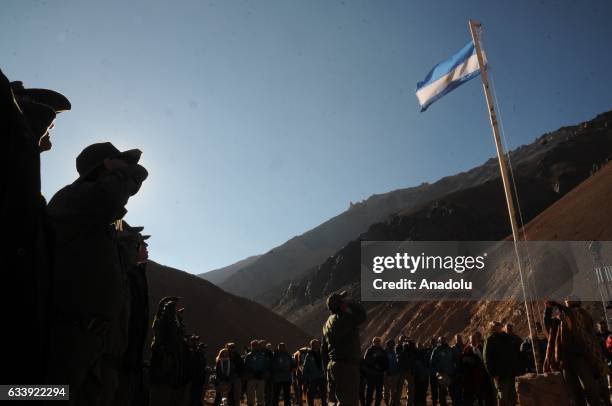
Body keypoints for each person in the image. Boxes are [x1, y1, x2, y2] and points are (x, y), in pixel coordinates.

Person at [46, 142, 147, 405]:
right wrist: (117, 171)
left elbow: (136, 178)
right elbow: (110, 198)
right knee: (39, 394)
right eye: (117, 165)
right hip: (65, 340)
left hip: (91, 343)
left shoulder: (97, 220)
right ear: (103, 169)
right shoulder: (72, 199)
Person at [0, 69, 70, 385]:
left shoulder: (33, 193)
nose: (51, 137)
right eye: (50, 125)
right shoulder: (14, 161)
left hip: (27, 334)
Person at [543, 297, 608, 406]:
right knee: (574, 391)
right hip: (565, 359)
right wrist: (548, 309)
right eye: (566, 299)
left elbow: (571, 315)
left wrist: (557, 305)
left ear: (576, 302)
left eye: (569, 299)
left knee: (589, 387)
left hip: (581, 356)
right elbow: (549, 326)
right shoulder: (561, 318)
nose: (566, 300)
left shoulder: (581, 313)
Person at [114, 221, 150, 406]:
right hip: (118, 357)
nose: (146, 248)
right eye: (141, 244)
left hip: (131, 357)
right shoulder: (124, 273)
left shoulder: (138, 275)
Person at [322, 291, 367, 406]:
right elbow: (362, 315)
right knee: (349, 401)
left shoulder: (327, 323)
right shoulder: (343, 319)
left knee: (333, 401)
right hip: (346, 367)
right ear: (339, 305)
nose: (344, 303)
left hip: (333, 366)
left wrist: (327, 367)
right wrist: (350, 303)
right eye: (342, 301)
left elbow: (324, 349)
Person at [483, 322, 520, 406]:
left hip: (511, 373)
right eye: (497, 326)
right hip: (500, 376)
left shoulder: (506, 337)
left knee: (513, 398)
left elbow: (513, 353)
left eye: (499, 326)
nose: (500, 327)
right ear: (493, 328)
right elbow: (487, 359)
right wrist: (493, 374)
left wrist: (516, 369)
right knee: (503, 398)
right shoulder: (490, 340)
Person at [461, 333, 489, 406]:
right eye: (472, 339)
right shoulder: (466, 349)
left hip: (481, 375)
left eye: (475, 339)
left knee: (481, 394)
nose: (473, 341)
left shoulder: (481, 347)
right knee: (472, 395)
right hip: (471, 376)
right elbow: (462, 360)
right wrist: (467, 359)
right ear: (470, 340)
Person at [429, 336, 457, 406]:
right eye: (441, 340)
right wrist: (437, 371)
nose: (443, 341)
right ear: (439, 341)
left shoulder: (450, 349)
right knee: (441, 393)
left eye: (444, 340)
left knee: (452, 392)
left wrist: (454, 369)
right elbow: (432, 362)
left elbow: (454, 360)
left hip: (450, 373)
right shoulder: (436, 350)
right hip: (441, 374)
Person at [363, 337, 388, 406]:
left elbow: (386, 362)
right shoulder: (369, 350)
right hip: (371, 375)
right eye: (376, 342)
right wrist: (374, 364)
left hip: (379, 375)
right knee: (369, 392)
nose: (377, 343)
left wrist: (383, 369)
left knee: (379, 393)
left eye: (378, 342)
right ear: (373, 342)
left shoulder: (382, 351)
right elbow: (366, 362)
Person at [245, 340, 270, 406]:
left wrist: (263, 373)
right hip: (251, 377)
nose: (254, 346)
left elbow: (266, 365)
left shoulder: (263, 355)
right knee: (250, 393)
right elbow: (246, 366)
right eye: (253, 345)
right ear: (251, 346)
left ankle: (260, 404)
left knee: (260, 393)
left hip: (260, 376)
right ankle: (250, 404)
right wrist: (251, 372)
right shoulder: (248, 355)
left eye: (255, 345)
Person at [302, 339, 327, 406]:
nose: (318, 345)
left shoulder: (322, 354)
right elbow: (305, 367)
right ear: (312, 345)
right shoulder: (309, 355)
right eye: (316, 344)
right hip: (313, 378)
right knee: (311, 395)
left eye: (318, 344)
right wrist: (305, 378)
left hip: (322, 377)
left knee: (324, 394)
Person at [395, 337, 417, 406]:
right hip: (402, 370)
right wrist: (405, 348)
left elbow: (415, 354)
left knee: (411, 389)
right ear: (399, 340)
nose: (404, 341)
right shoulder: (398, 347)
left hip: (410, 370)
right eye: (402, 340)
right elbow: (399, 357)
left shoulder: (410, 347)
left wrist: (412, 344)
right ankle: (397, 403)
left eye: (405, 340)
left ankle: (409, 404)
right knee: (399, 389)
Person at [383, 339, 399, 406]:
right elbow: (382, 362)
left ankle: (392, 403)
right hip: (386, 373)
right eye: (391, 344)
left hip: (394, 373)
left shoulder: (395, 351)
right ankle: (387, 402)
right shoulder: (385, 352)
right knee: (386, 390)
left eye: (393, 344)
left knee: (393, 390)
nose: (392, 345)